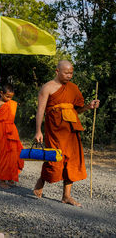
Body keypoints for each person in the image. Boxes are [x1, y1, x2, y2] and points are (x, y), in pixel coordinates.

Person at [33, 60, 100, 207]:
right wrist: (38, 131)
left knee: (72, 160)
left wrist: (89, 106)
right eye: (66, 73)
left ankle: (66, 196)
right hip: (54, 130)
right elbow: (40, 110)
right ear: (57, 71)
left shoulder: (73, 88)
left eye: (71, 73)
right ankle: (42, 180)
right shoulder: (48, 87)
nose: (69, 75)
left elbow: (77, 110)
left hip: (70, 130)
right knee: (54, 158)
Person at [0, 84, 24, 188]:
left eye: (11, 97)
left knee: (15, 153)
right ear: (1, 93)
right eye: (7, 96)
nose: (9, 99)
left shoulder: (12, 104)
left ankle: (11, 177)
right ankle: (2, 181)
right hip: (1, 130)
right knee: (3, 155)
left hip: (12, 130)